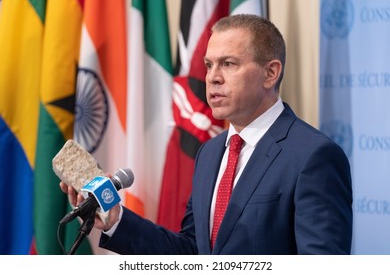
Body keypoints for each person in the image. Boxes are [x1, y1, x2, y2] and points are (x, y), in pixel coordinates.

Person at [60, 14, 353, 254]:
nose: (212, 77)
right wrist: (115, 219)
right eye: (209, 65)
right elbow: (192, 253)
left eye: (229, 64)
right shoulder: (210, 153)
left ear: (270, 73)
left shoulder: (313, 156)